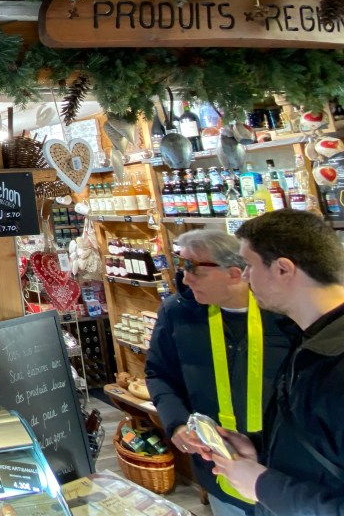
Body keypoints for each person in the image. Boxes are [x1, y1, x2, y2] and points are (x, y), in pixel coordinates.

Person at [145, 229, 291, 516]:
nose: (185, 278)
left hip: (285, 474)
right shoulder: (177, 312)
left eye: (193, 267)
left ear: (234, 273)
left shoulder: (284, 314)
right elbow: (159, 373)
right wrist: (177, 424)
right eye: (181, 265)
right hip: (216, 469)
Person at [207, 210, 344, 515]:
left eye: (249, 265)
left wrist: (263, 485)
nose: (244, 276)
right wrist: (261, 449)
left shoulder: (334, 359)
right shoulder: (309, 340)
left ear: (283, 269)